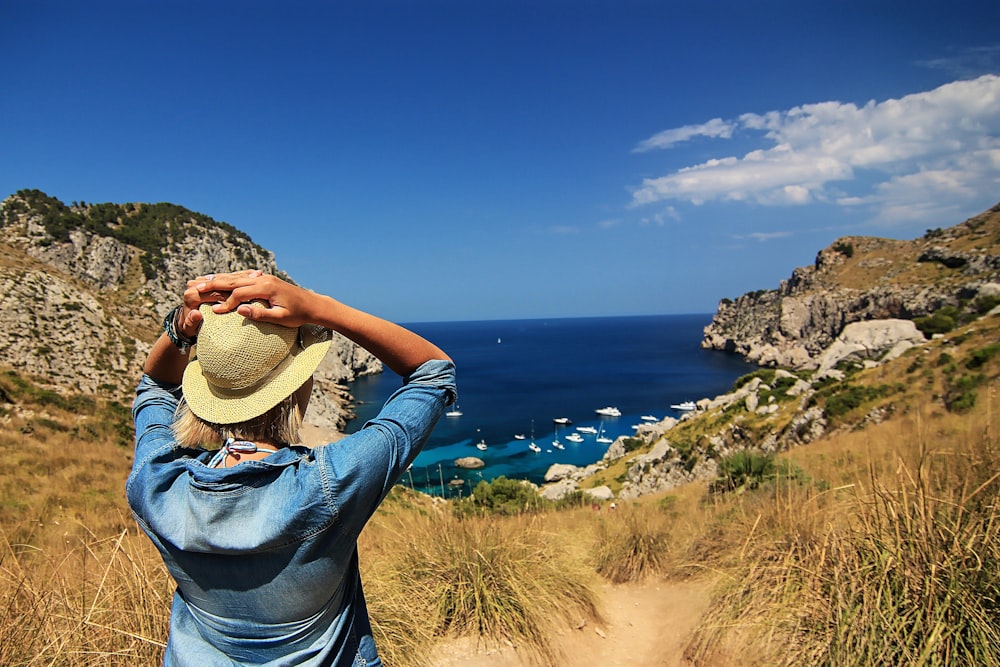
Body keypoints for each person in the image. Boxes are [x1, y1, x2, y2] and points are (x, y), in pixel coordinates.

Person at [127, 270, 456, 666]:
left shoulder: (157, 482)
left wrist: (182, 326)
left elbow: (156, 386)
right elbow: (433, 372)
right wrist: (320, 308)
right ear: (296, 385)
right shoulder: (329, 483)